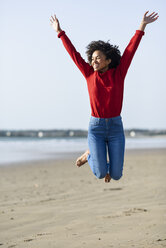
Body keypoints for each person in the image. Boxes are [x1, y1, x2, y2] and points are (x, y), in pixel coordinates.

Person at [50, 11, 159, 183]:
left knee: (116, 175)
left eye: (98, 58)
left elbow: (131, 50)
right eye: (92, 58)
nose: (93, 61)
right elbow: (74, 54)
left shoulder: (119, 74)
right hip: (96, 128)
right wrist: (59, 32)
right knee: (100, 173)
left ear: (108, 60)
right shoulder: (88, 74)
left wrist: (142, 26)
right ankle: (89, 155)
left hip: (115, 127)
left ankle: (97, 158)